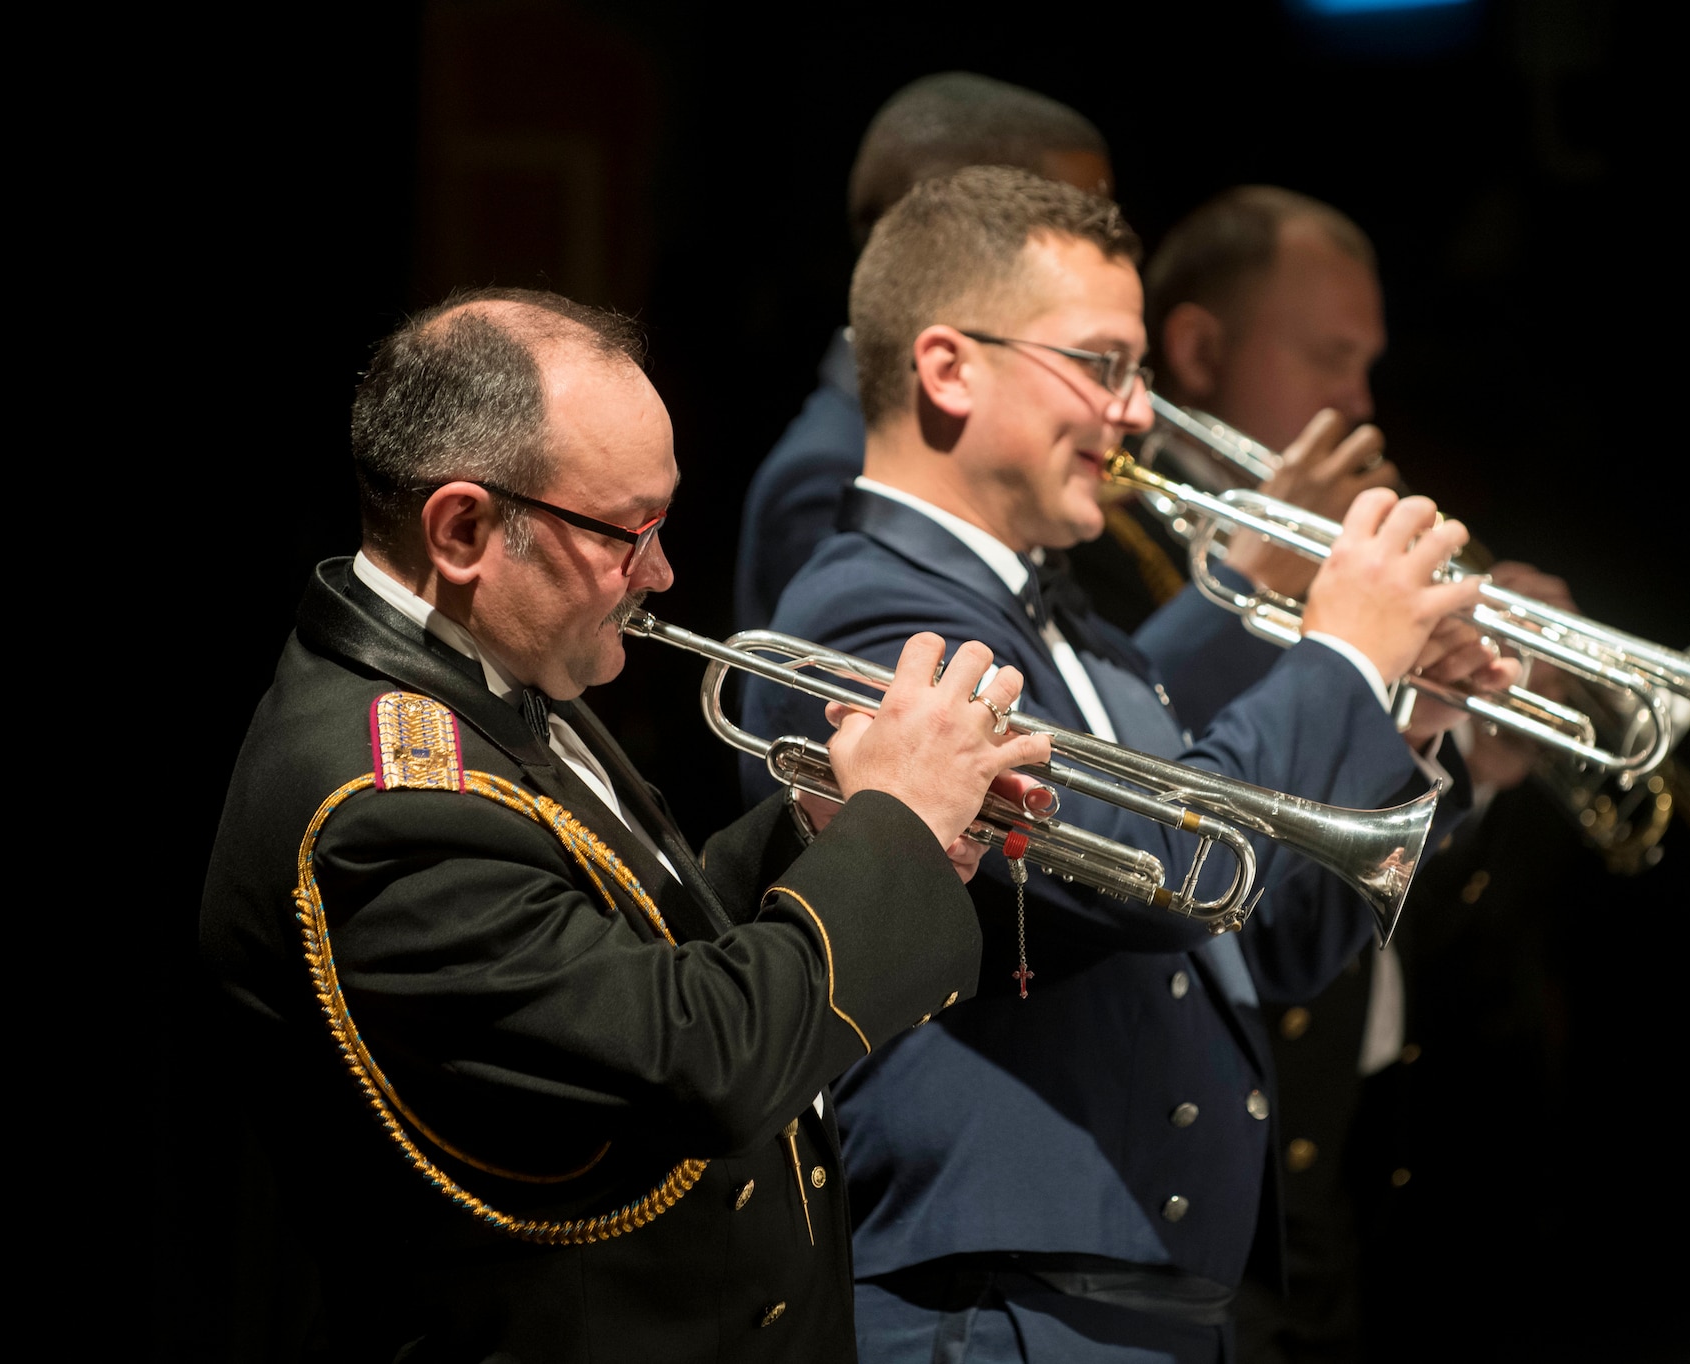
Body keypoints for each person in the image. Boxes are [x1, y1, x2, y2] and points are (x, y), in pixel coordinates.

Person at [740, 166, 1517, 1361]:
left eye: (1138, 371)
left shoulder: (1081, 631)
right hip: (992, 1307)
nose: (1138, 411)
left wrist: (1401, 722)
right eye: (1102, 365)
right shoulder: (868, 614)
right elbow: (1154, 870)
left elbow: (1258, 933)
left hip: (1145, 1299)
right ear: (947, 367)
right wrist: (1343, 660)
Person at [198, 287, 1056, 1361]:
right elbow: (703, 1056)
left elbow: (616, 947)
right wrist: (892, 823)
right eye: (628, 532)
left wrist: (825, 829)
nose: (660, 574)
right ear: (462, 526)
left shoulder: (486, 674)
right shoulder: (380, 805)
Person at [1142, 185, 1589, 1362]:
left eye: (1367, 363)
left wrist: (1459, 757)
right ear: (1197, 347)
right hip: (1199, 1172)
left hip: (1355, 1146)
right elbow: (1171, 805)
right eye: (1325, 357)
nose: (1357, 401)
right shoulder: (1117, 540)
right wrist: (1289, 604)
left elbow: (1365, 879)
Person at [734, 71, 1113, 631]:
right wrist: (1248, 576)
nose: (1101, 250)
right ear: (931, 224)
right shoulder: (822, 476)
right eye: (1061, 222)